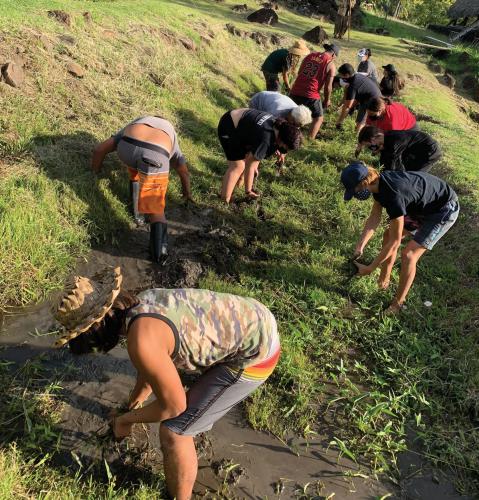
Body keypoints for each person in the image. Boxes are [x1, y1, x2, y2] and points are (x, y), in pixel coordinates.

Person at [53, 266, 281, 500]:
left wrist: (124, 421)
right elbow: (151, 365)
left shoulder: (140, 341)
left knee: (175, 431)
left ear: (96, 328)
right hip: (253, 317)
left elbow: (174, 406)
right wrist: (133, 405)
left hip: (257, 357)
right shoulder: (142, 304)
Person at [341, 162, 460, 314]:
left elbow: (395, 242)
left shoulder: (393, 195)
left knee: (409, 255)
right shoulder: (377, 184)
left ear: (364, 183)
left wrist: (370, 268)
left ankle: (397, 304)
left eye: (355, 190)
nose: (355, 194)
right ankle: (384, 279)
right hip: (423, 203)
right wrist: (360, 245)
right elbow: (374, 218)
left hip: (443, 209)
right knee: (388, 235)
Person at [91, 116, 192, 262]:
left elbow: (99, 149)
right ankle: (159, 258)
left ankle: (137, 215)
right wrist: (187, 193)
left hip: (127, 148)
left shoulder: (139, 121)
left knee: (136, 170)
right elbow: (183, 171)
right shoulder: (170, 132)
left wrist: (94, 174)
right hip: (155, 154)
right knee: (155, 209)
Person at [218, 108, 302, 203]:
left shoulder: (280, 126)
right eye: (286, 148)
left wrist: (254, 167)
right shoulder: (266, 140)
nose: (285, 151)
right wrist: (248, 190)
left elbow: (255, 158)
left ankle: (236, 188)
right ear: (282, 140)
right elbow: (251, 163)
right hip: (229, 125)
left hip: (242, 123)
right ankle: (224, 200)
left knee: (246, 162)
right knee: (238, 166)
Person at [289, 43, 340, 139]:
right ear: (333, 55)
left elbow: (300, 72)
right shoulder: (330, 64)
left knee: (292, 113)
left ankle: (287, 133)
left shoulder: (310, 55)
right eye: (335, 58)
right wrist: (327, 100)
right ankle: (309, 139)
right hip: (310, 94)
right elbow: (328, 87)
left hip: (295, 90)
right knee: (318, 118)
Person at [357, 126, 442, 173]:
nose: (371, 149)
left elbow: (393, 167)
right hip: (414, 150)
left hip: (430, 151)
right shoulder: (386, 139)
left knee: (414, 176)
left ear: (373, 139)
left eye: (369, 145)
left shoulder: (394, 142)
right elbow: (384, 161)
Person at [335, 63, 381, 131]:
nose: (340, 77)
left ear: (347, 75)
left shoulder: (353, 85)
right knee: (354, 108)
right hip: (371, 95)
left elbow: (348, 106)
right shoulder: (356, 76)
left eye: (341, 75)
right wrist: (341, 103)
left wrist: (339, 122)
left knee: (360, 120)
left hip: (373, 100)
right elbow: (351, 98)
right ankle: (357, 131)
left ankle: (357, 134)